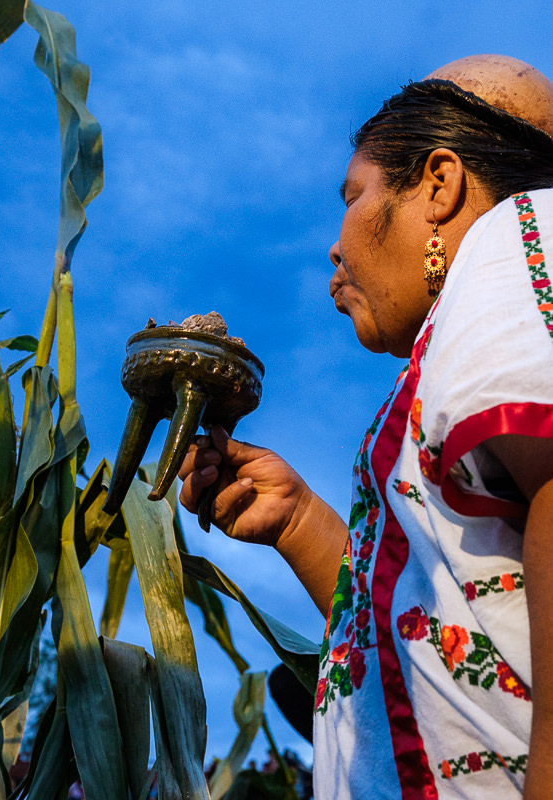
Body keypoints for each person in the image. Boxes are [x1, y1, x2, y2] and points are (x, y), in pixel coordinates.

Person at [179, 55, 553, 799]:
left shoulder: (514, 240)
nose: (334, 245)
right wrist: (299, 524)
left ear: (438, 185)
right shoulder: (468, 332)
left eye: (353, 195)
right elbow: (442, 631)